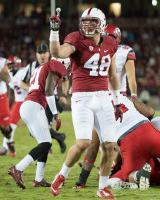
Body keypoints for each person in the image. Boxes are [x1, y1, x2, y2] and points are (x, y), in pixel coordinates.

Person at [49, 8, 123, 199]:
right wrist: (54, 31)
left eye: (92, 21)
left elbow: (113, 75)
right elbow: (58, 51)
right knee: (83, 143)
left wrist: (117, 102)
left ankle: (102, 188)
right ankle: (61, 175)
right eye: (85, 21)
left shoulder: (111, 42)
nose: (88, 25)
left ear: (102, 23)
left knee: (109, 146)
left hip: (104, 96)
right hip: (82, 96)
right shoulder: (76, 38)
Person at [73, 24, 138, 189]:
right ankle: (106, 177)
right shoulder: (106, 49)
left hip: (114, 98)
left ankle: (100, 177)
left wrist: (133, 97)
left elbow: (128, 77)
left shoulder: (117, 50)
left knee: (110, 143)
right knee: (105, 143)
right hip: (103, 97)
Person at [7, 58, 68, 189]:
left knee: (44, 143)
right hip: (35, 105)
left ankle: (39, 179)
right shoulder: (57, 65)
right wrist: (55, 114)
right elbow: (49, 91)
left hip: (28, 105)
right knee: (46, 143)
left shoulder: (40, 67)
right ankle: (18, 168)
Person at [24, 43, 68, 153]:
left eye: (44, 53)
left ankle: (46, 148)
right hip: (37, 100)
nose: (42, 55)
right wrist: (33, 89)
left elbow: (66, 78)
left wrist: (64, 94)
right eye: (40, 53)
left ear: (49, 53)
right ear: (36, 54)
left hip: (50, 99)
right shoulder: (31, 66)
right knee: (35, 130)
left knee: (44, 127)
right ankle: (59, 137)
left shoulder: (54, 63)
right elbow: (21, 82)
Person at [0, 56, 29, 157]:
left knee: (35, 127)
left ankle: (47, 146)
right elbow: (11, 92)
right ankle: (6, 148)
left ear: (16, 65)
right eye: (8, 65)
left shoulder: (23, 72)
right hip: (18, 102)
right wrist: (8, 106)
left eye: (10, 65)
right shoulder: (9, 74)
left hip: (29, 101)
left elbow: (30, 85)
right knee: (11, 126)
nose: (8, 67)